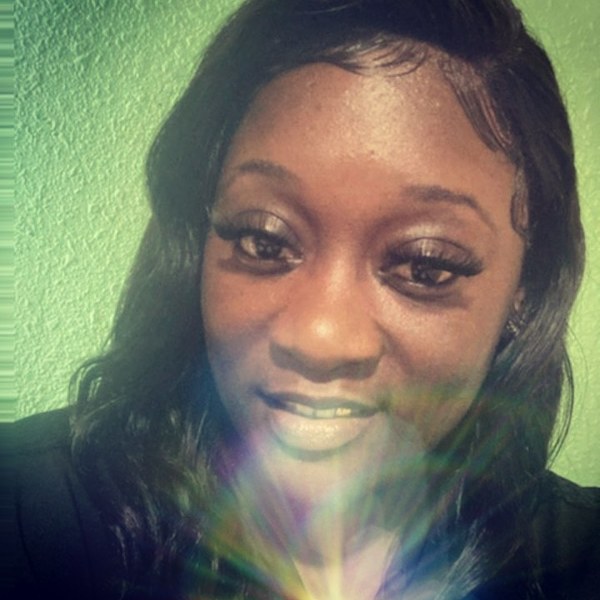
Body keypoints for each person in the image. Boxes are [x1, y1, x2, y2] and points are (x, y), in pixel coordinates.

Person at [6, 0, 600, 598]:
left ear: (524, 290)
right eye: (264, 241)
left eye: (424, 266)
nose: (320, 336)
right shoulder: (34, 515)